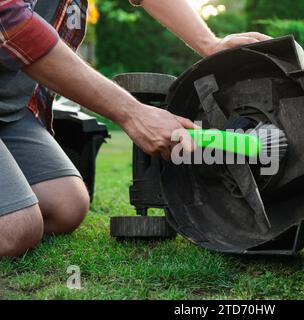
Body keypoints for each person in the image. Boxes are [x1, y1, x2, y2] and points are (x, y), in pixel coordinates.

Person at [0, 0, 271, 257]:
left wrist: (211, 44)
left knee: (66, 205)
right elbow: (10, 20)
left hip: (11, 112)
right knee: (17, 228)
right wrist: (131, 113)